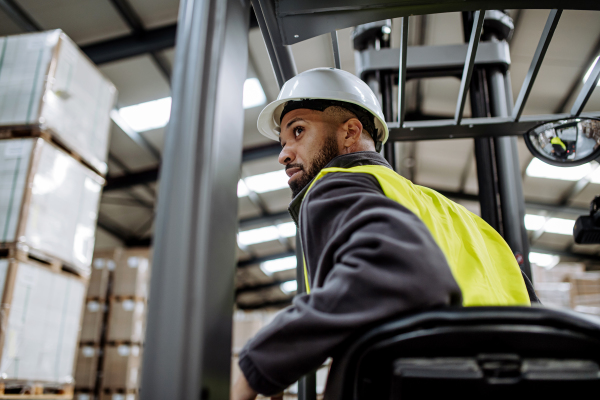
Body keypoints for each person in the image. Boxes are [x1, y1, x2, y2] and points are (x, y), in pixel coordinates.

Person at [231, 68, 534, 400]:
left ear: (350, 133)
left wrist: (257, 367)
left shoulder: (335, 185)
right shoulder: (468, 221)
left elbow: (399, 275)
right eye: (282, 142)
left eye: (298, 131)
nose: (283, 155)